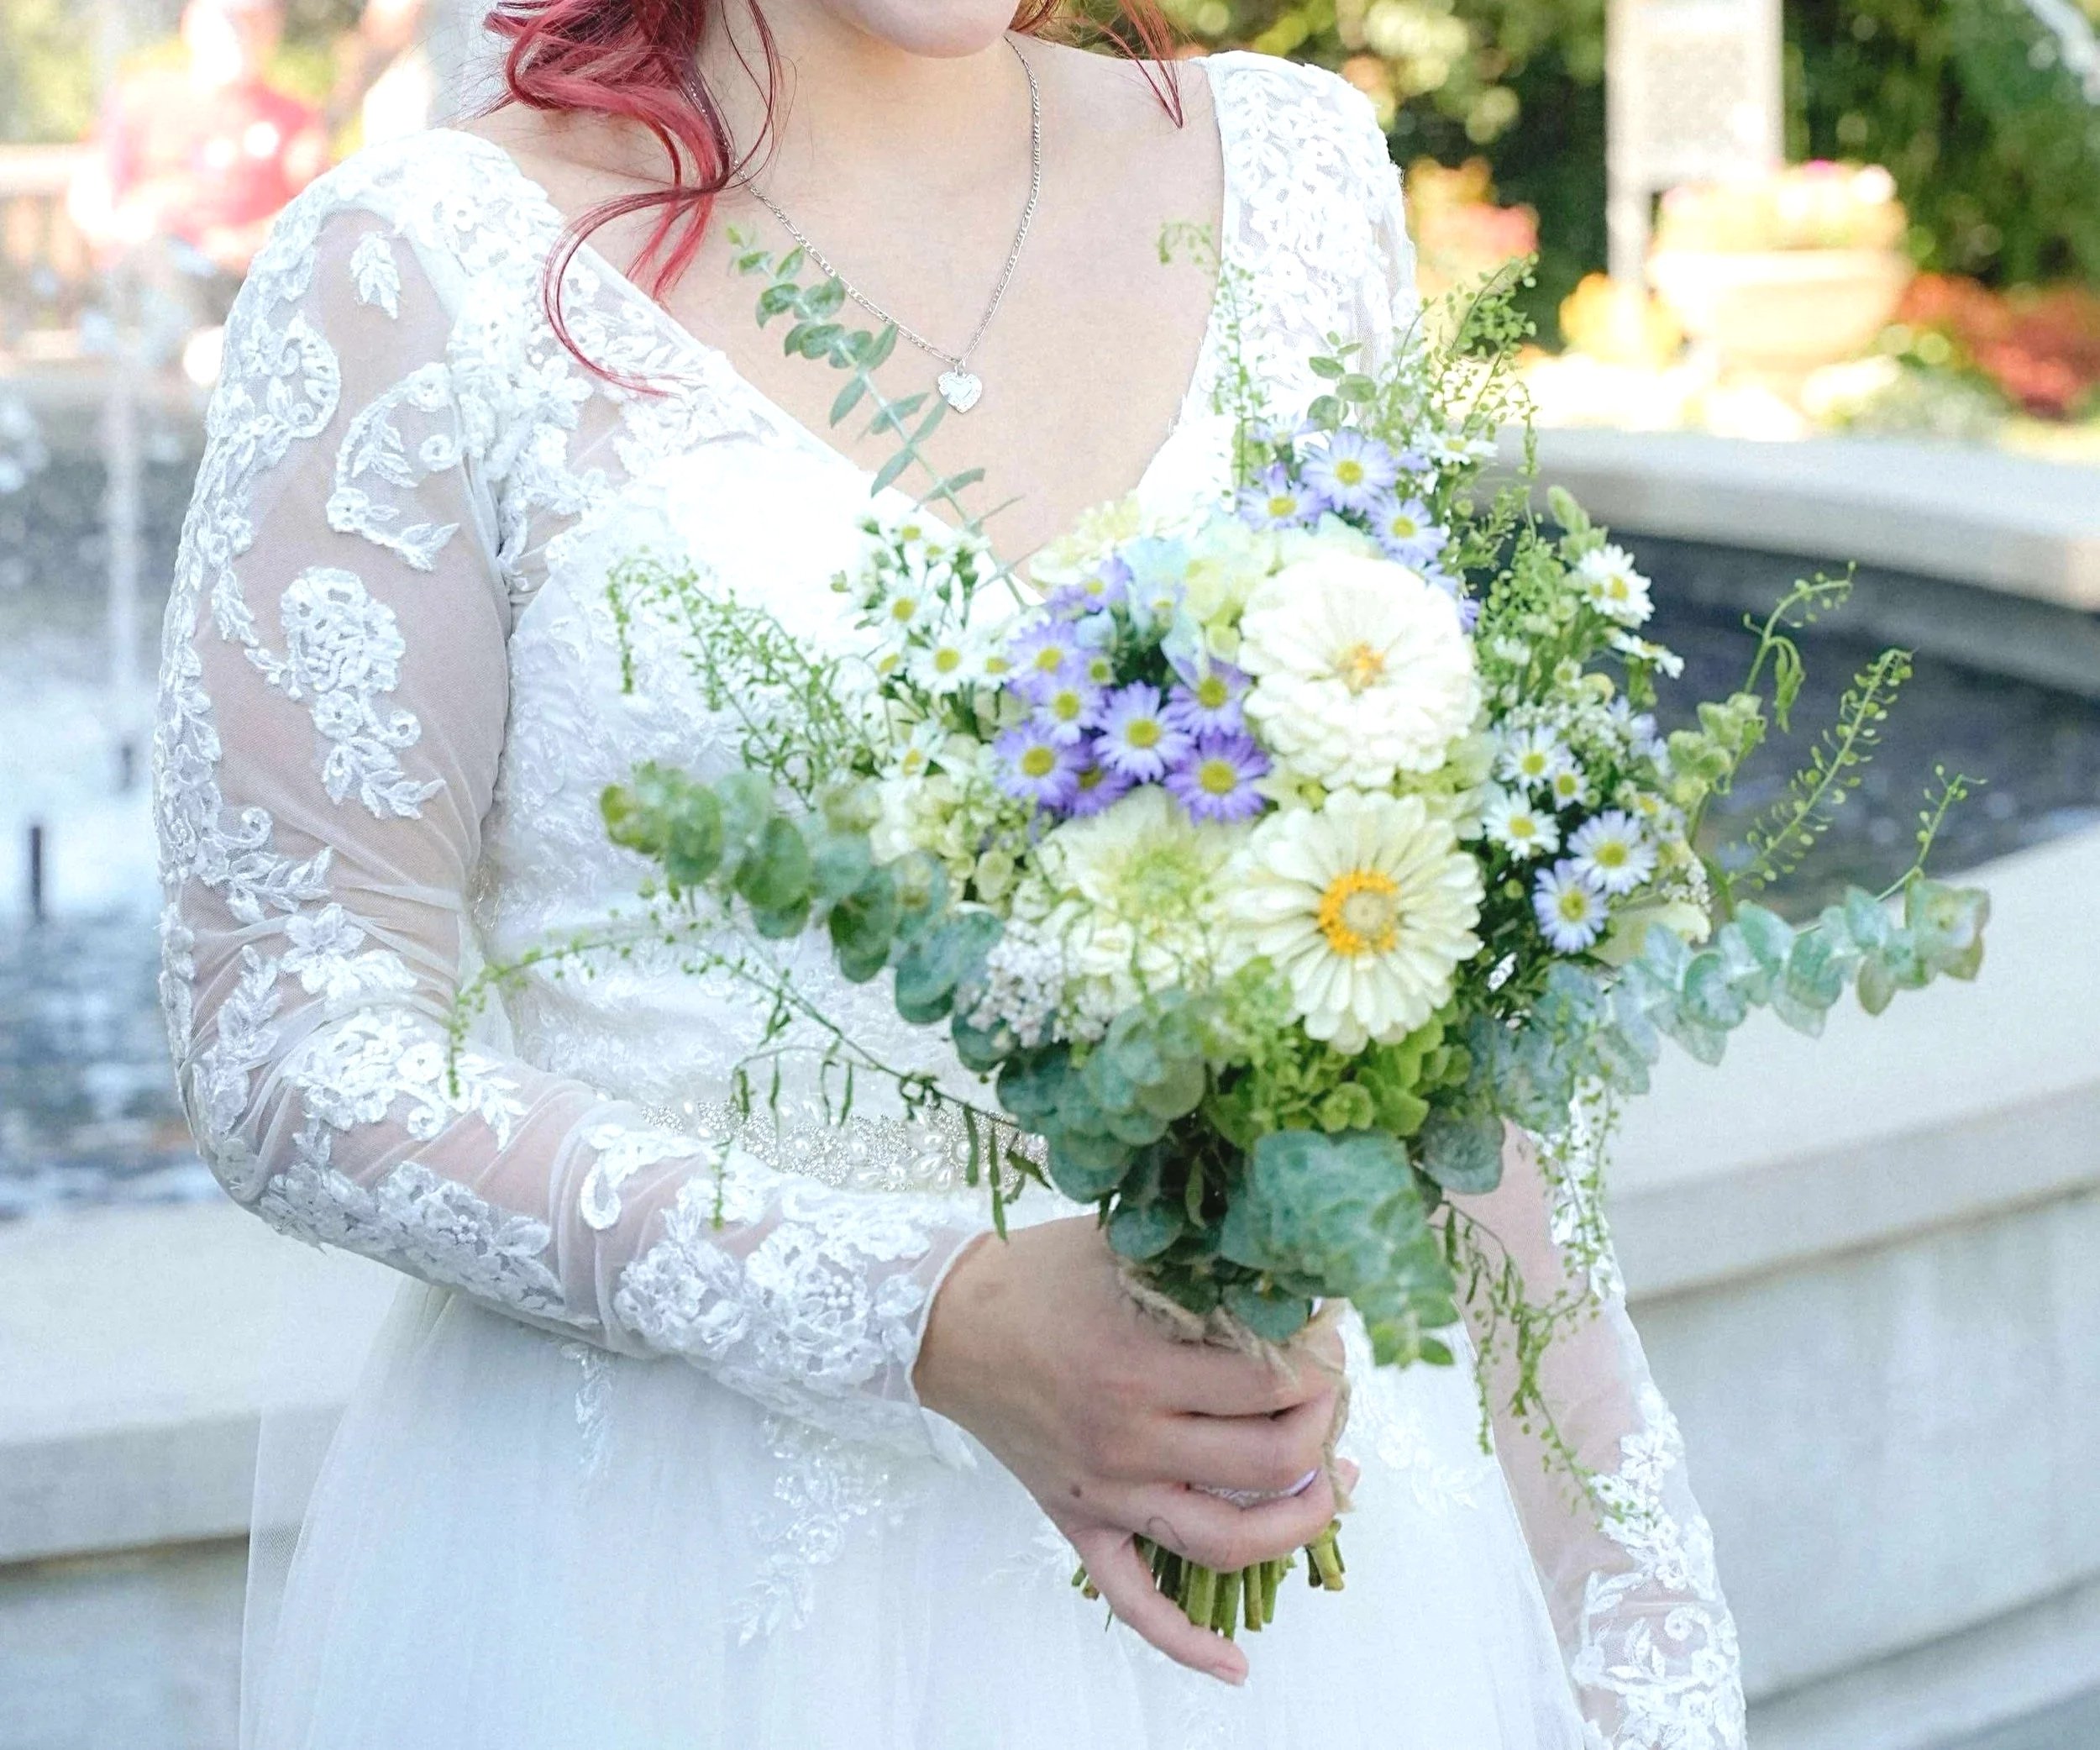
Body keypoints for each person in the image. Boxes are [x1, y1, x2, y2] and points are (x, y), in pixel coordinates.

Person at [154, 2, 1746, 1745]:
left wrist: (1635, 1633)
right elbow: (287, 1039)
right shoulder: (424, 272)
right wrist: (922, 1314)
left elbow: (1446, 989)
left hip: (1324, 1624)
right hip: (676, 1611)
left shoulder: (1290, 178)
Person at [72, 0, 328, 305]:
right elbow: (94, 190)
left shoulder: (294, 119)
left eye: (252, 21)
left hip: (247, 281)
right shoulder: (142, 98)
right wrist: (121, 228)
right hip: (155, 280)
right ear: (192, 22)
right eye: (228, 20)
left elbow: (320, 210)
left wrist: (251, 240)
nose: (239, 33)